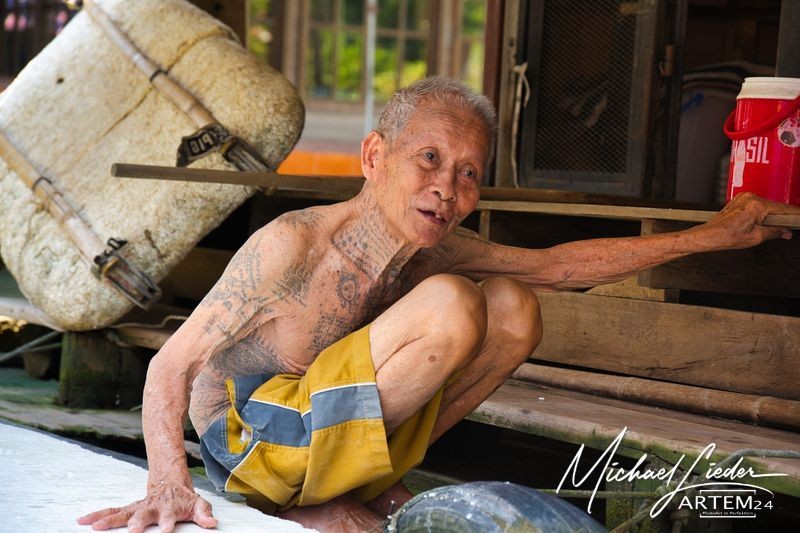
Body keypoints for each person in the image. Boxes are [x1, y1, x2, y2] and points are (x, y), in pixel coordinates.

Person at [78, 76, 798, 532]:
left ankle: (358, 487)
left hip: (314, 433)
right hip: (246, 442)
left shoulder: (435, 247)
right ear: (373, 158)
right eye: (429, 159)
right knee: (455, 303)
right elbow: (169, 367)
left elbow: (561, 265)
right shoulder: (290, 245)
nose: (446, 190)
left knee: (514, 304)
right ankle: (306, 503)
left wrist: (713, 234)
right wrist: (167, 484)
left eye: (467, 173)